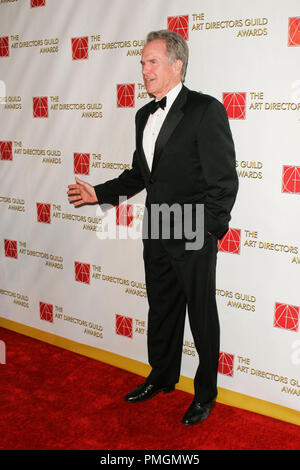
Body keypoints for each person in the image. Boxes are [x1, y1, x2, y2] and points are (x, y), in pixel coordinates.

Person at [68, 30, 238, 426]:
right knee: (161, 310)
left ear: (177, 65)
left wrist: (208, 231)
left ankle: (205, 395)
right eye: (142, 63)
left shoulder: (205, 110)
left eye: (151, 62)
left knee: (201, 316)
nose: (143, 70)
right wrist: (99, 193)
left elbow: (223, 181)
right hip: (157, 229)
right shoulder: (143, 114)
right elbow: (140, 174)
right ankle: (161, 376)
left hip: (194, 232)